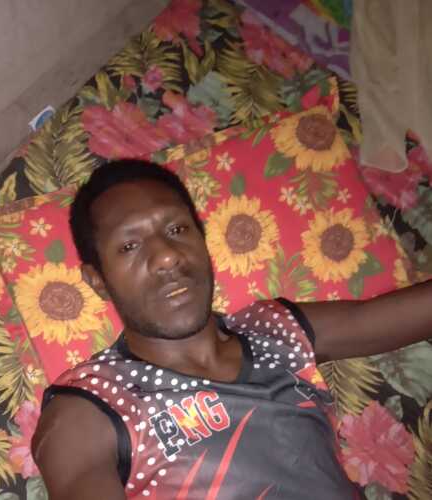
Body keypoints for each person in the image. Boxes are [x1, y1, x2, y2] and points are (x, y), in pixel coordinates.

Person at [31, 159, 431, 500]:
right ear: (98, 281)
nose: (167, 256)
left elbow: (386, 316)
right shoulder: (90, 406)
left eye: (177, 230)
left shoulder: (275, 329)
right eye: (129, 246)